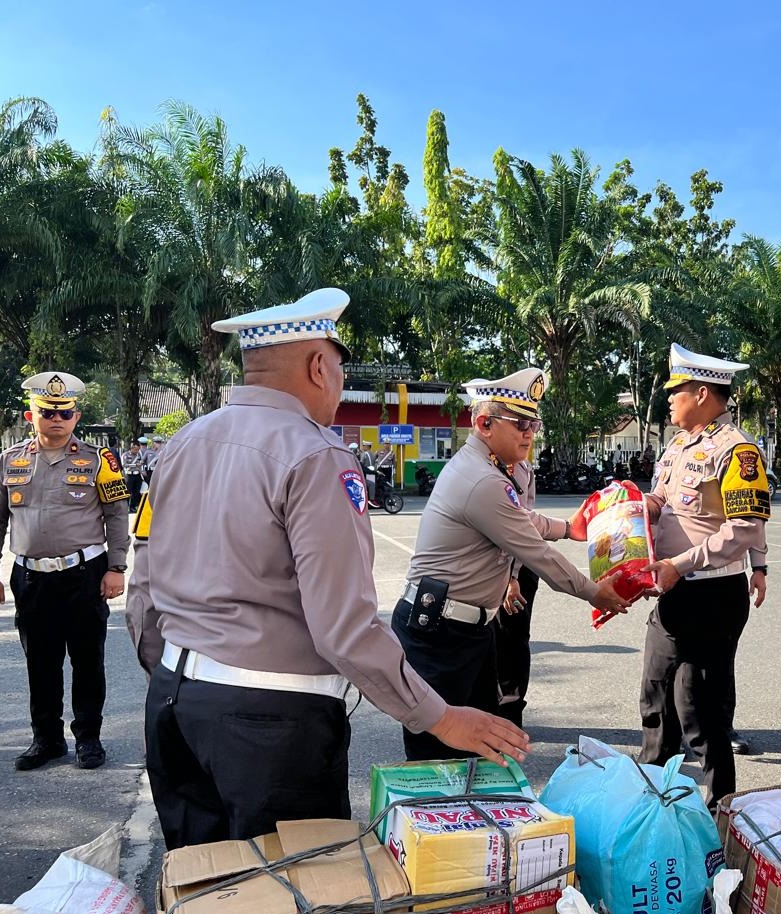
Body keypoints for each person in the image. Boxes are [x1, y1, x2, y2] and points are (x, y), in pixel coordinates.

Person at [131, 288, 528, 850]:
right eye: (339, 370)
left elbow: (143, 585)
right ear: (320, 367)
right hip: (269, 729)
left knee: (207, 903)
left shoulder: (181, 444)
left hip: (174, 706)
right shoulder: (318, 456)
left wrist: (173, 673)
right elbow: (344, 626)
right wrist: (437, 717)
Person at [392, 367, 630, 762]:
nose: (530, 433)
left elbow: (522, 520)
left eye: (533, 423)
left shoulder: (495, 472)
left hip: (469, 630)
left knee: (481, 746)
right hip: (439, 635)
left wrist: (568, 528)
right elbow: (536, 552)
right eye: (520, 424)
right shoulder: (481, 480)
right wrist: (595, 592)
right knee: (437, 760)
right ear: (484, 424)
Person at [637, 343, 770, 812]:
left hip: (711, 593)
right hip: (673, 590)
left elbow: (745, 527)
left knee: (698, 711)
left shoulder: (738, 451)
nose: (669, 399)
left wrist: (687, 565)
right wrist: (638, 508)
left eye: (676, 391)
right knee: (656, 702)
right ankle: (651, 808)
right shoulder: (677, 447)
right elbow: (662, 502)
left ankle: (720, 813)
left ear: (701, 393)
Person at [0, 371, 130, 771]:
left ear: (75, 417)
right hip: (31, 577)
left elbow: (117, 513)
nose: (57, 418)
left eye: (65, 413)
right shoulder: (10, 460)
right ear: (30, 415)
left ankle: (88, 738)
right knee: (40, 661)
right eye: (48, 412)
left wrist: (117, 567)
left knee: (87, 660)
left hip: (84, 574)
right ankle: (47, 740)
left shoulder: (98, 460)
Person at [493, 455, 541, 728]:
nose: (527, 434)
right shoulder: (486, 462)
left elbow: (520, 527)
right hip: (494, 570)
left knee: (510, 643)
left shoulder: (516, 467)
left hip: (515, 571)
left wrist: (511, 578)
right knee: (491, 643)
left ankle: (510, 716)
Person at [121, 438, 145, 511]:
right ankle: (125, 507)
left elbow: (141, 464)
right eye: (135, 449)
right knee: (128, 492)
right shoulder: (125, 455)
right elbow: (124, 465)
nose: (136, 451)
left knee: (136, 492)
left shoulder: (139, 455)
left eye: (138, 449)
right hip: (129, 475)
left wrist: (142, 471)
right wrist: (135, 465)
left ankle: (133, 507)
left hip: (137, 475)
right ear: (132, 448)